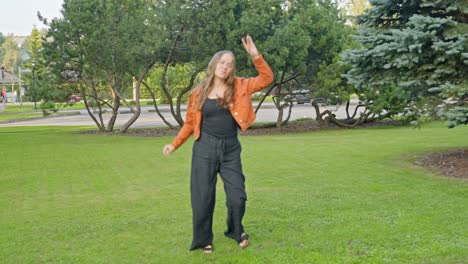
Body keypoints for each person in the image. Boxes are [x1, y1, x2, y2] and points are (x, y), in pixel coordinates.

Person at [163, 35, 273, 254]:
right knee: (203, 196)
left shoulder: (241, 85)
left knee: (237, 196)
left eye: (230, 64)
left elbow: (267, 78)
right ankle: (204, 240)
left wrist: (255, 55)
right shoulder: (198, 94)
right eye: (222, 62)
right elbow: (189, 124)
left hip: (230, 148)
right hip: (204, 149)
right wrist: (174, 145)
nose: (226, 67)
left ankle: (235, 230)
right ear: (213, 65)